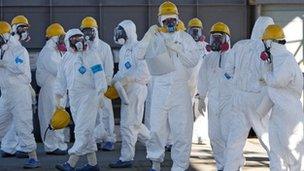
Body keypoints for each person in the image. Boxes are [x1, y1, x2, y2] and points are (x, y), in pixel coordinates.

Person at [135, 1, 200, 170]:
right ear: (160, 20)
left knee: (182, 131)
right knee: (156, 130)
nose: (170, 24)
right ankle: (155, 164)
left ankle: (179, 166)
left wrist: (178, 50)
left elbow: (193, 60)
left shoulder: (185, 38)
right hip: (160, 89)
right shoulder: (155, 37)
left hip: (180, 91)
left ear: (177, 20)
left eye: (173, 20)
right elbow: (138, 54)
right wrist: (148, 35)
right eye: (166, 21)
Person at [220, 16, 274, 170]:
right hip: (259, 98)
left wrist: (236, 81)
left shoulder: (240, 45)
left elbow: (228, 71)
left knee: (234, 140)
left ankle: (230, 168)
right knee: (267, 136)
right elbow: (273, 76)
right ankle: (279, 166)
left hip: (239, 99)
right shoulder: (269, 49)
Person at [55, 28, 107, 171]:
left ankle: (71, 162)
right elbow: (60, 79)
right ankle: (93, 164)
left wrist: (101, 92)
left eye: (80, 38)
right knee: (85, 130)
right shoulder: (66, 58)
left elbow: (99, 74)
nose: (78, 42)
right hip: (74, 98)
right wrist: (58, 96)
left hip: (89, 96)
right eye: (74, 39)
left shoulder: (91, 55)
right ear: (68, 42)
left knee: (82, 130)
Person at [258, 24, 304, 170]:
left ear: (270, 42)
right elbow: (272, 89)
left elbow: (278, 81)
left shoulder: (285, 58)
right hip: (280, 112)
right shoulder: (276, 59)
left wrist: (265, 74)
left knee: (292, 154)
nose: (264, 46)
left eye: (265, 42)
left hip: (290, 114)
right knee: (276, 152)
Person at [108, 19, 150, 168]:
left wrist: (129, 79)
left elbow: (145, 72)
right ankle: (155, 146)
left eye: (121, 32)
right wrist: (114, 80)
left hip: (137, 89)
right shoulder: (124, 49)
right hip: (127, 90)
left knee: (128, 124)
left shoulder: (140, 47)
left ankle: (126, 158)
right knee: (135, 124)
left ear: (129, 33)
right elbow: (122, 70)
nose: (119, 35)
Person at [0, 21, 40, 168]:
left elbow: (19, 68)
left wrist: (4, 63)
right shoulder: (2, 50)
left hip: (19, 94)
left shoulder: (19, 50)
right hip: (5, 95)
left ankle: (33, 158)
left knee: (23, 125)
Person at [197, 22, 232, 171]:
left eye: (219, 38)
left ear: (227, 39)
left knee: (228, 136)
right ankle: (221, 166)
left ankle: (232, 165)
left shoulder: (233, 57)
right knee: (214, 136)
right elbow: (202, 79)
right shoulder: (208, 59)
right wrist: (201, 97)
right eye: (214, 38)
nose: (216, 41)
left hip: (229, 102)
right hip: (213, 102)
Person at [79, 16, 116, 151]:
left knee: (106, 112)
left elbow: (109, 66)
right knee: (92, 114)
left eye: (90, 31)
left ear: (95, 31)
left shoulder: (104, 47)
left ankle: (110, 138)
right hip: (89, 87)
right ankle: (96, 138)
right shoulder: (83, 48)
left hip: (102, 86)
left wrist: (105, 83)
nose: (88, 34)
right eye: (85, 31)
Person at [36, 23, 68, 155]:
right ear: (55, 37)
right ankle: (51, 146)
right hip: (50, 89)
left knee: (59, 116)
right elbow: (58, 70)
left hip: (58, 88)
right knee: (50, 116)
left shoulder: (57, 51)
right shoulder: (48, 52)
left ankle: (59, 143)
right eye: (61, 37)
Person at [187, 17, 209, 144]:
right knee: (186, 110)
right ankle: (187, 135)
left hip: (202, 84)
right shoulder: (185, 46)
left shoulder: (207, 47)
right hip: (188, 83)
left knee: (201, 109)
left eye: (197, 31)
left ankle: (201, 135)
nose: (195, 34)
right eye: (192, 31)